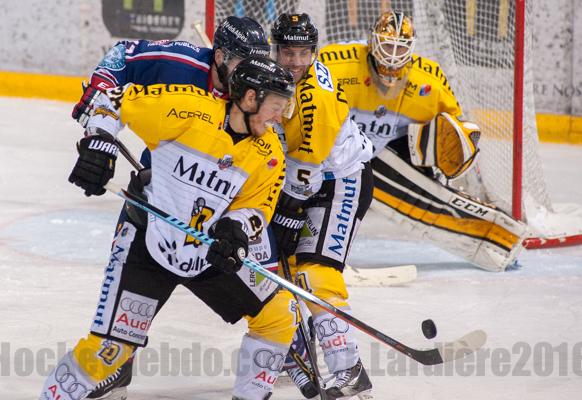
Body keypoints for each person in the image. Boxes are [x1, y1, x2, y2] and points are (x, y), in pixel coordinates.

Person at [39, 56, 297, 400]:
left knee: (279, 318)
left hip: (203, 253)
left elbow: (257, 209)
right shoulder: (187, 109)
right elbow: (113, 101)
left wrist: (234, 230)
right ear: (250, 99)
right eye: (276, 106)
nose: (280, 117)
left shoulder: (270, 151)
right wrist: (99, 144)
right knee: (109, 353)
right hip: (147, 245)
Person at [319, 10, 527, 273]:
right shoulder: (336, 65)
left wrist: (450, 151)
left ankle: (497, 240)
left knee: (431, 198)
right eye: (388, 45)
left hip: (390, 148)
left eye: (400, 46)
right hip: (339, 146)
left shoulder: (429, 80)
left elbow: (454, 127)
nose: (393, 55)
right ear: (372, 42)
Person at [269, 13, 375, 400]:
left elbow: (306, 173)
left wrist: (284, 213)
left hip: (339, 183)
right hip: (300, 183)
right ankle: (293, 350)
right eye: (287, 52)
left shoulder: (315, 97)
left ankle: (349, 371)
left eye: (303, 53)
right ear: (275, 49)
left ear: (313, 52)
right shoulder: (273, 76)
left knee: (313, 273)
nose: (295, 61)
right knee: (274, 270)